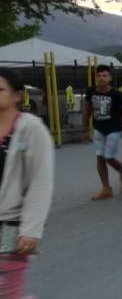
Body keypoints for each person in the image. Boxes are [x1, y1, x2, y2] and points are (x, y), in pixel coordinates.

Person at [0, 68, 55, 299]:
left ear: (17, 95)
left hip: (11, 225)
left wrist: (31, 230)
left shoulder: (31, 128)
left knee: (8, 291)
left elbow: (40, 182)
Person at [83, 65, 122, 200]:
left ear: (110, 78)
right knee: (100, 157)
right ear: (94, 78)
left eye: (104, 75)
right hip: (98, 129)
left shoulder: (116, 94)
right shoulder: (90, 91)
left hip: (114, 129)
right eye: (98, 76)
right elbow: (87, 110)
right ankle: (106, 188)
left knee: (108, 157)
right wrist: (85, 129)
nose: (101, 78)